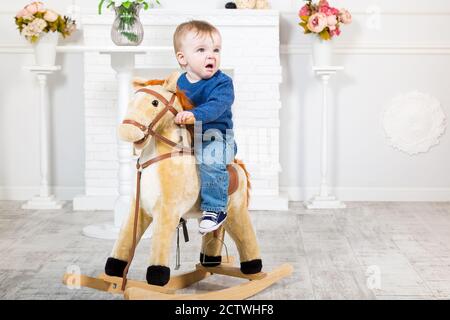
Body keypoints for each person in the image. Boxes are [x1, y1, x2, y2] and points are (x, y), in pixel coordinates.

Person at [173, 20, 237, 235]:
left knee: (210, 159)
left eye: (216, 50)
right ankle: (173, 204)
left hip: (217, 138)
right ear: (183, 58)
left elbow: (215, 107)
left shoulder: (223, 83)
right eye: (201, 50)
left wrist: (193, 115)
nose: (211, 55)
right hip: (190, 139)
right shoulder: (178, 83)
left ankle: (215, 209)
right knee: (167, 159)